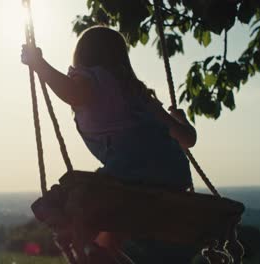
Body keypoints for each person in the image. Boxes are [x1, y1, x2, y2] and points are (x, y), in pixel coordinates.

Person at [21, 26, 197, 263]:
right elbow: (188, 139)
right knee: (111, 224)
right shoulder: (138, 92)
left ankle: (89, 249)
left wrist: (39, 64)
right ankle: (102, 252)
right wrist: (180, 119)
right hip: (174, 174)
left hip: (132, 170)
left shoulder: (93, 77)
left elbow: (73, 93)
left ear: (81, 56)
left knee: (74, 201)